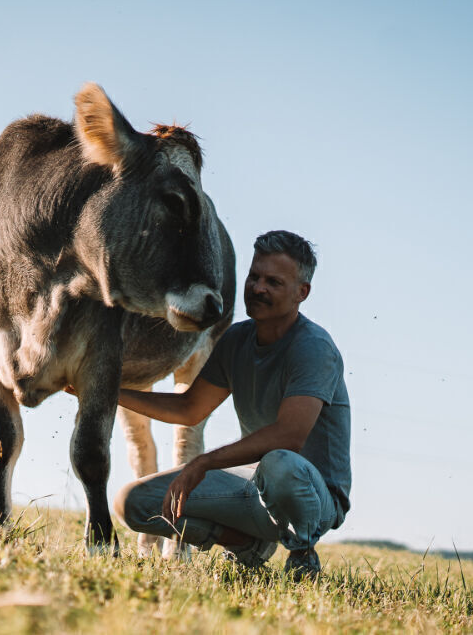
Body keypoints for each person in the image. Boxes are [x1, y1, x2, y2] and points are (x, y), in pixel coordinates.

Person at [111, 230, 351, 578]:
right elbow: (188, 409)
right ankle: (245, 544)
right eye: (254, 277)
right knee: (134, 504)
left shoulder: (314, 348)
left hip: (312, 493)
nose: (258, 288)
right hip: (253, 484)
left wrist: (204, 463)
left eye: (273, 282)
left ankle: (302, 552)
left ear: (302, 293)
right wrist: (108, 392)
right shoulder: (237, 338)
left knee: (280, 463)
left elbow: (290, 436)